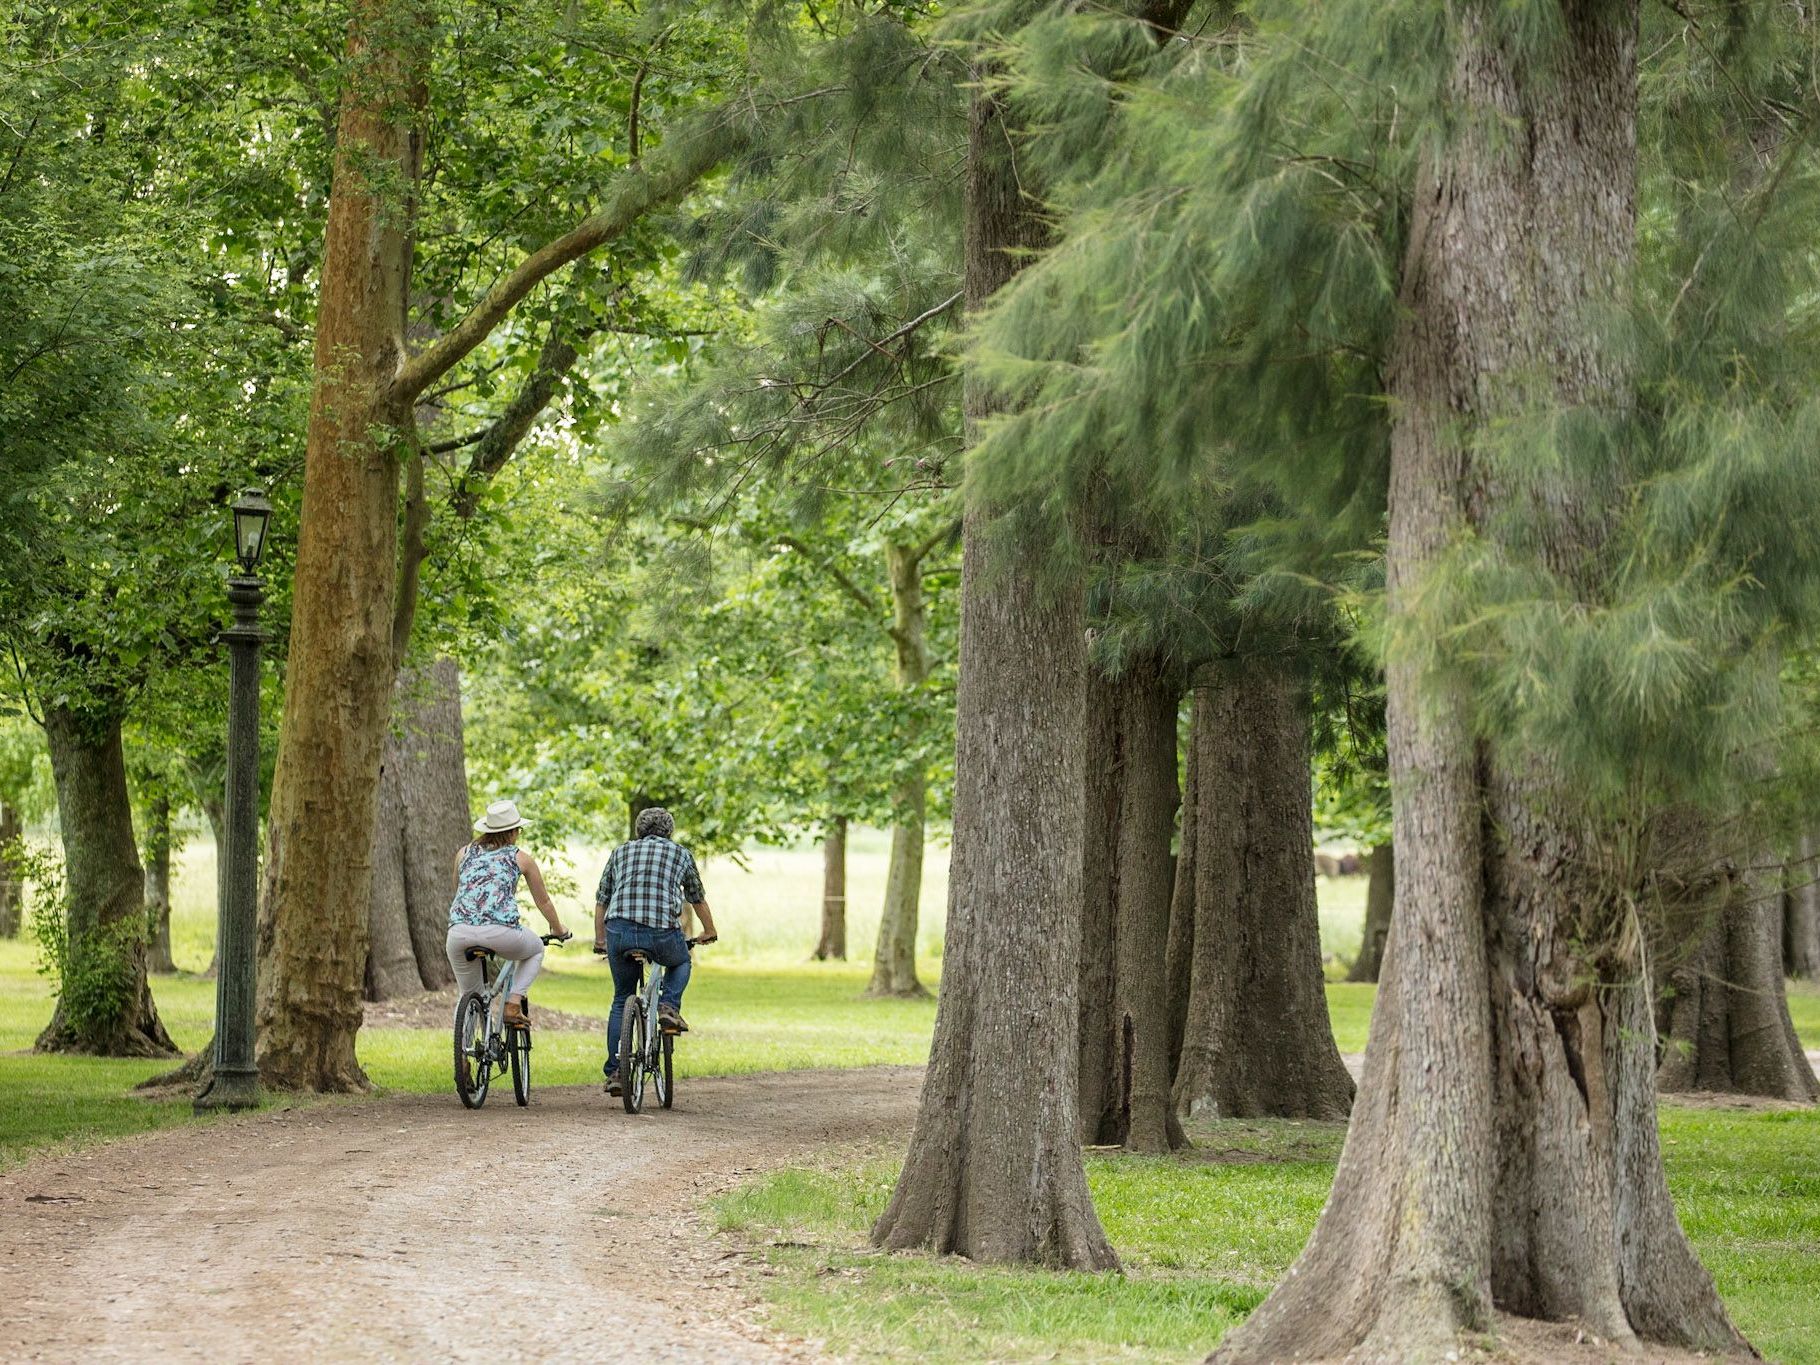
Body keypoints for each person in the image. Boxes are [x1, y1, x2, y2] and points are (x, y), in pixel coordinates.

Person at [595, 806, 718, 1095]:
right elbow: (696, 897)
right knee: (681, 962)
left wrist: (600, 938)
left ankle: (615, 1071)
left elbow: (602, 897)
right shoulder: (680, 853)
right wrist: (709, 930)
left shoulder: (620, 852)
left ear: (639, 830)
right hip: (661, 931)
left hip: (619, 930)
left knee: (621, 998)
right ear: (669, 831)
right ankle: (668, 1006)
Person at [447, 799, 569, 1028]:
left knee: (468, 994)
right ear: (513, 831)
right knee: (535, 949)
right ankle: (513, 1004)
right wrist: (558, 929)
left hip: (458, 932)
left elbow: (458, 891)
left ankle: (465, 1051)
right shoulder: (520, 858)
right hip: (500, 932)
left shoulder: (463, 853)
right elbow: (543, 901)